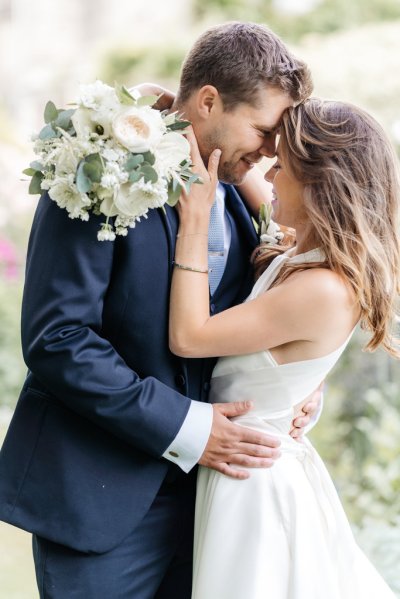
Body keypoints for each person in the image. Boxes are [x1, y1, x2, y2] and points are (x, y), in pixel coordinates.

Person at [0, 22, 319, 599]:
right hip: (103, 499)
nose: (274, 152)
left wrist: (292, 379)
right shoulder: (96, 170)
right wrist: (188, 427)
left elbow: (245, 319)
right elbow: (59, 338)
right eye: (265, 130)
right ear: (208, 101)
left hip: (215, 505)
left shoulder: (235, 194)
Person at [168, 98, 400, 598]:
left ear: (321, 182)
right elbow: (229, 170)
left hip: (255, 483)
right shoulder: (301, 252)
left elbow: (189, 336)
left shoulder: (323, 288)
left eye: (282, 166)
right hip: (245, 464)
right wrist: (169, 104)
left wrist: (195, 218)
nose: (268, 177)